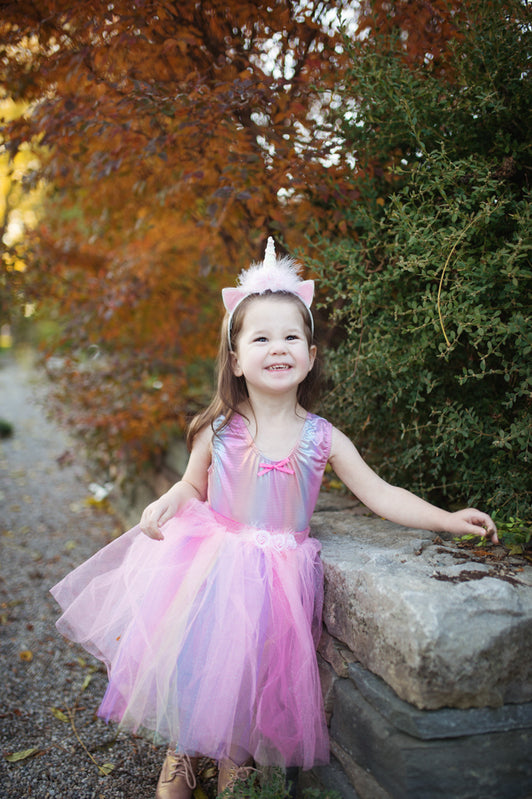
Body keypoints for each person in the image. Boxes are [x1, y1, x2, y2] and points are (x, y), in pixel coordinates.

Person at [51, 238, 498, 799]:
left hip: (279, 581)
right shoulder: (219, 429)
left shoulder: (322, 437)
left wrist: (448, 519)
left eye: (290, 337)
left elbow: (381, 494)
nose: (277, 348)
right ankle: (183, 754)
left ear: (310, 355)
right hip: (213, 566)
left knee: (251, 676)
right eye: (260, 338)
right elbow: (192, 485)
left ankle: (235, 760)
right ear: (236, 360)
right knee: (200, 662)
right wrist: (168, 502)